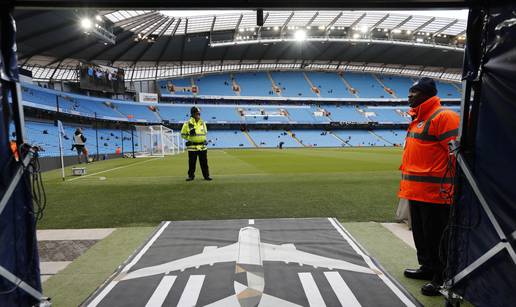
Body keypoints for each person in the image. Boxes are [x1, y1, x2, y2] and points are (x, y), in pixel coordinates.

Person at [398, 77, 460, 296]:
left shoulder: (444, 117)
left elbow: (457, 155)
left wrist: (452, 187)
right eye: (409, 92)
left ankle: (442, 276)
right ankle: (427, 268)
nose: (409, 96)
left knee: (436, 237)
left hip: (437, 194)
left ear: (427, 95)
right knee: (422, 236)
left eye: (414, 92)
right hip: (416, 192)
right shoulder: (417, 119)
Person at [181, 107, 212, 181]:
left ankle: (206, 176)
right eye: (197, 113)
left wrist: (204, 140)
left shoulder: (203, 123)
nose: (199, 115)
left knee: (204, 163)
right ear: (193, 114)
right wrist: (189, 138)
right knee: (192, 163)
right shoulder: (187, 124)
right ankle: (191, 176)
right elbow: (183, 134)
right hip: (192, 147)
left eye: (199, 113)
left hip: (202, 146)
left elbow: (205, 133)